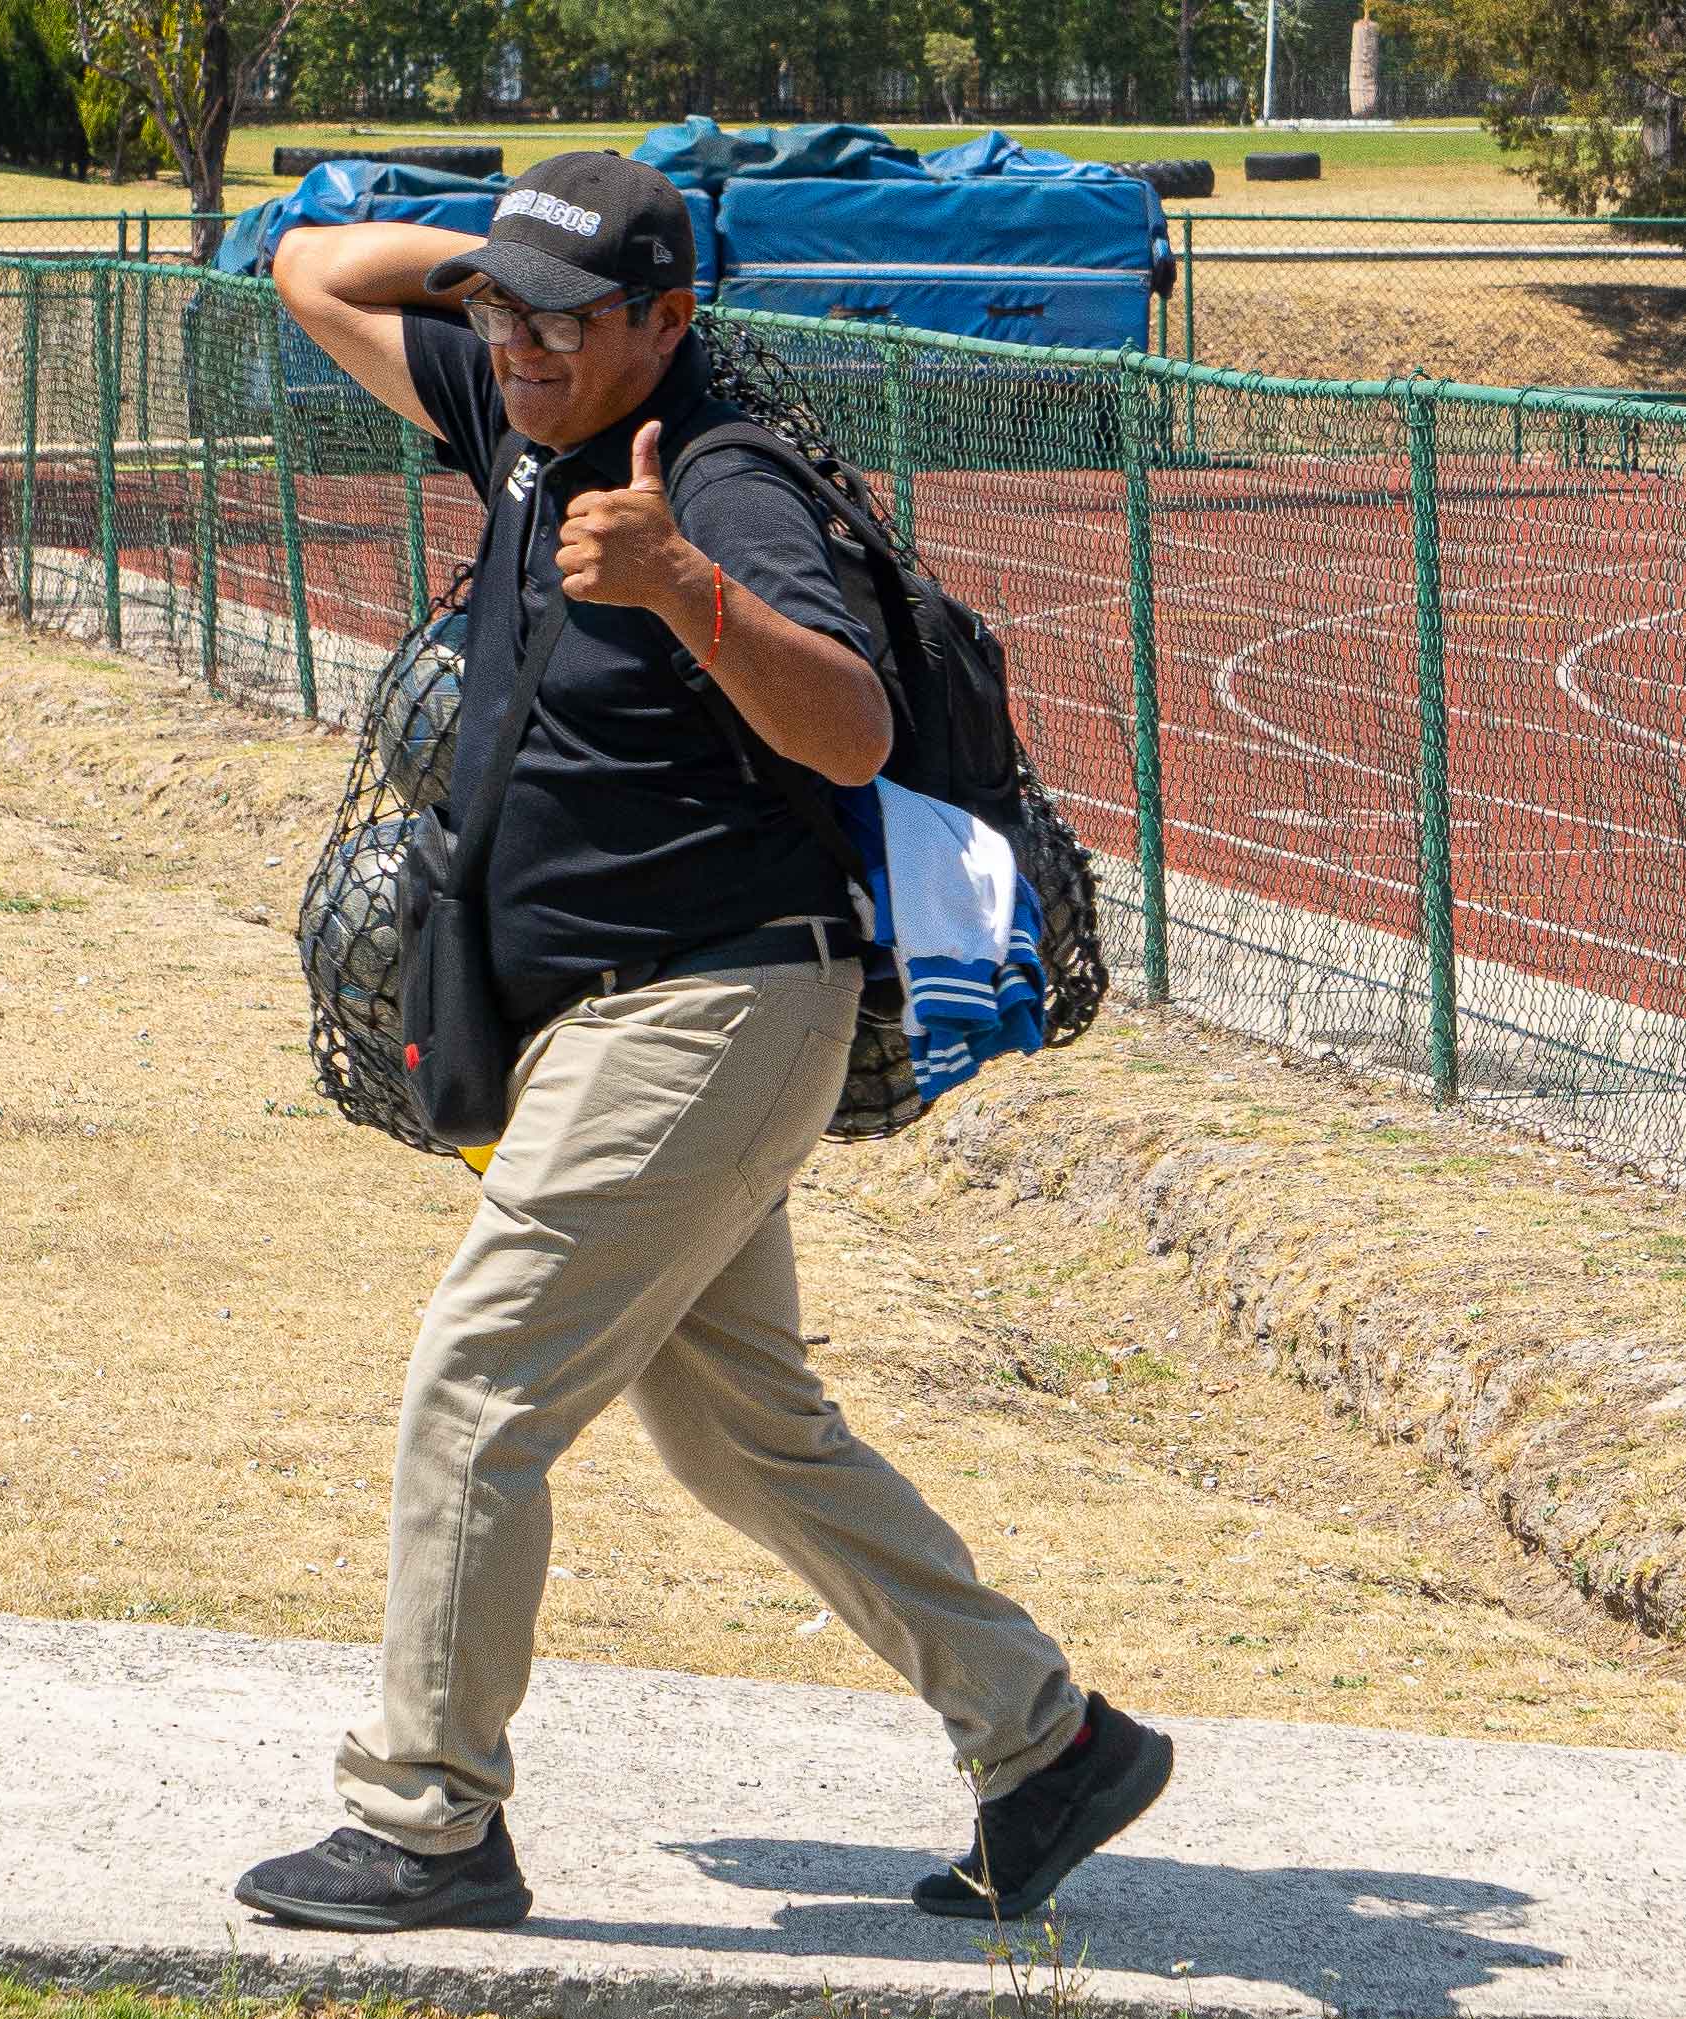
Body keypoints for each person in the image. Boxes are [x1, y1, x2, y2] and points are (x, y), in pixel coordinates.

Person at [235, 150, 1171, 1936]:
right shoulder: (528, 403)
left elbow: (849, 726)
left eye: (570, 317)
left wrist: (682, 589)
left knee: (477, 1384)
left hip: (716, 1008)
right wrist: (513, 269)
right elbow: (317, 274)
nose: (516, 341)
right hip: (627, 1014)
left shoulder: (722, 482)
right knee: (742, 1432)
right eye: (504, 311)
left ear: (672, 321)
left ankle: (427, 1821)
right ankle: (1046, 1744)